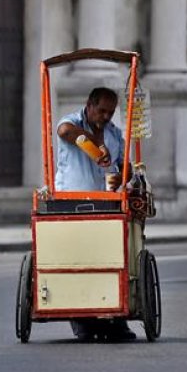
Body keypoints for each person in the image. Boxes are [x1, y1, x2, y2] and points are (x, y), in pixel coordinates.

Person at [55, 87, 136, 342]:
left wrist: (129, 174)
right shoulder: (72, 122)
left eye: (110, 112)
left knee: (110, 260)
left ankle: (114, 319)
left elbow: (125, 167)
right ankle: (82, 320)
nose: (105, 116)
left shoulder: (114, 134)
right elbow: (65, 132)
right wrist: (93, 144)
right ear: (89, 105)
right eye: (101, 110)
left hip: (105, 203)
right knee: (78, 261)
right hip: (73, 203)